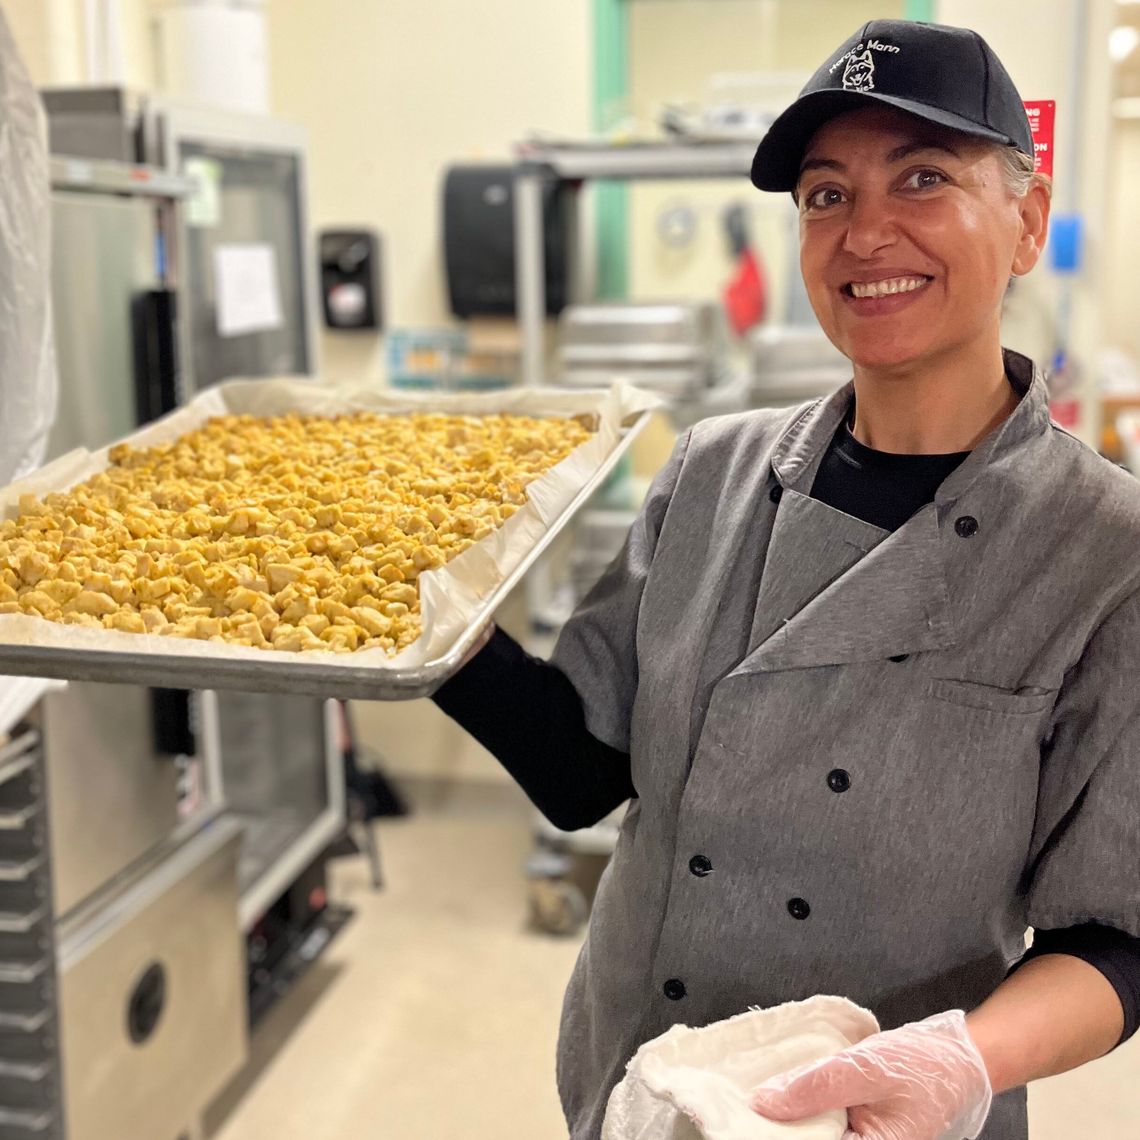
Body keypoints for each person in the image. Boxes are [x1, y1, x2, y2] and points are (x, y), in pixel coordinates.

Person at [434, 19, 1140, 1140]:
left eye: (922, 178)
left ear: (1027, 224)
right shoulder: (710, 470)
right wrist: (420, 623)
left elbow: (1115, 941)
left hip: (883, 1109)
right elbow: (583, 773)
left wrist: (965, 1058)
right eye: (825, 195)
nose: (866, 233)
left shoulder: (1104, 550)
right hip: (639, 1081)